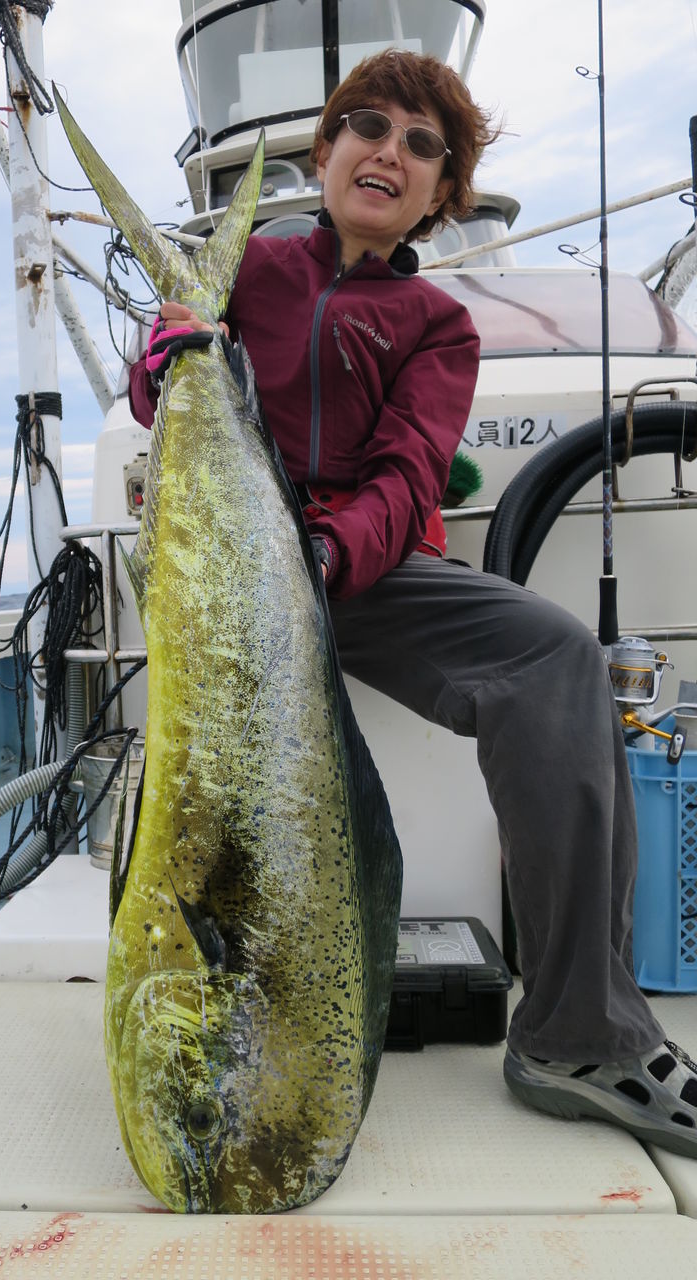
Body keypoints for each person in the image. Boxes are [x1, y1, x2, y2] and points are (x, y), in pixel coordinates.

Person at [128, 49, 697, 1157]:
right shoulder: (243, 273)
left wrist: (326, 561)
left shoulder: (441, 324)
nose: (389, 150)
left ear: (442, 193)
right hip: (232, 568)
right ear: (324, 150)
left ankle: (576, 1031)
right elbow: (165, 401)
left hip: (360, 573)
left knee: (555, 656)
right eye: (367, 126)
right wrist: (164, 361)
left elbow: (405, 475)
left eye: (422, 145)